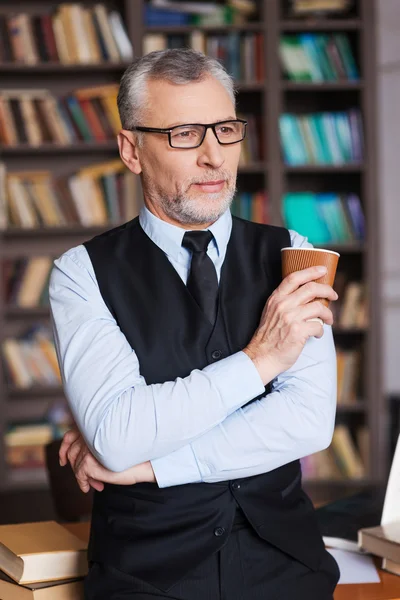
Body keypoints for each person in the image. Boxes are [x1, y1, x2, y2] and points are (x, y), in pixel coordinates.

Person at [50, 49, 340, 600]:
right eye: (184, 133)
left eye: (225, 129)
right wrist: (261, 362)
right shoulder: (80, 274)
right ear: (131, 149)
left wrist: (150, 467)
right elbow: (117, 435)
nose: (215, 157)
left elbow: (306, 421)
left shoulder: (295, 254)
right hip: (146, 580)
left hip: (288, 567)